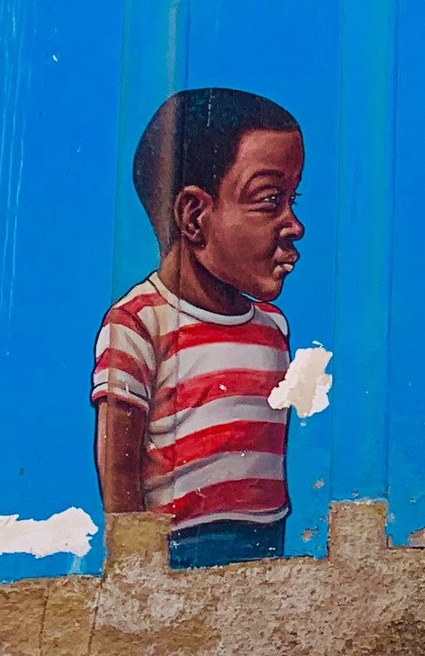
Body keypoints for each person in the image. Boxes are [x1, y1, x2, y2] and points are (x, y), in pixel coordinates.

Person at [92, 87, 306, 568]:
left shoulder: (272, 329)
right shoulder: (139, 325)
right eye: (269, 200)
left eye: (293, 200)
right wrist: (131, 567)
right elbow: (119, 467)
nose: (294, 225)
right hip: (178, 553)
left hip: (267, 545)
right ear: (193, 216)